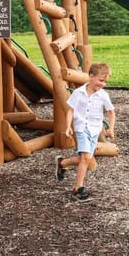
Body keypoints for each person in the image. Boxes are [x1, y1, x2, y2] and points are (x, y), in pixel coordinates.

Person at [52, 62, 116, 203]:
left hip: (94, 129)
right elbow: (70, 110)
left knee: (84, 159)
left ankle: (62, 163)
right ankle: (77, 189)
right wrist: (68, 126)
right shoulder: (78, 93)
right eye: (101, 80)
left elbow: (111, 112)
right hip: (81, 128)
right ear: (91, 76)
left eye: (105, 81)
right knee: (86, 158)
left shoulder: (103, 95)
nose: (103, 84)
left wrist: (111, 128)